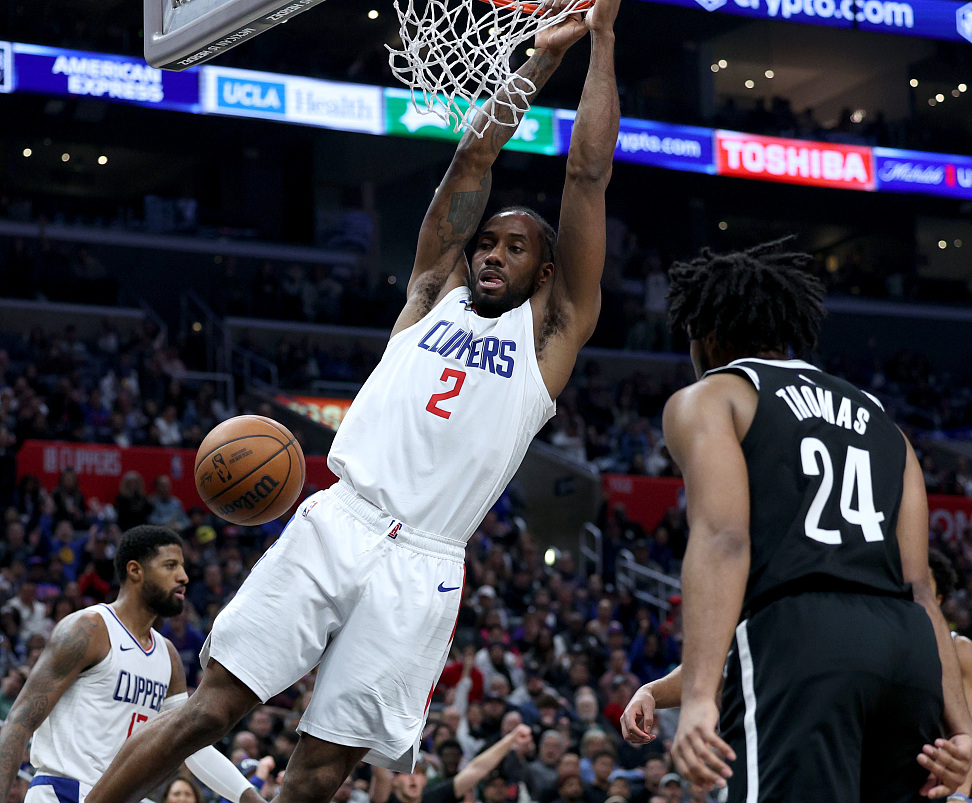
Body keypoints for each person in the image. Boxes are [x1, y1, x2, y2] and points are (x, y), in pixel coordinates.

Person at [87, 2, 621, 802]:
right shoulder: (432, 289)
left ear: (547, 273)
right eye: (488, 242)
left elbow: (587, 175)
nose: (493, 253)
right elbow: (469, 166)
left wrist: (603, 40)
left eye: (516, 246)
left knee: (325, 765)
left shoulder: (551, 340)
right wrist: (536, 65)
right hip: (344, 517)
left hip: (426, 566)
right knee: (210, 709)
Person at [618, 241, 972, 802]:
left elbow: (724, 539)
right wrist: (964, 729)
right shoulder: (882, 421)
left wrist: (700, 699)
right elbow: (921, 586)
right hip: (906, 651)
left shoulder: (714, 396)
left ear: (705, 334)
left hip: (803, 640)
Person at [0, 525, 263, 803]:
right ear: (135, 570)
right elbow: (19, 722)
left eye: (183, 567)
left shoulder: (168, 655)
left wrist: (250, 798)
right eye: (170, 566)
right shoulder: (89, 628)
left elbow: (191, 744)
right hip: (65, 791)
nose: (183, 577)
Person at [929, 549, 972, 801]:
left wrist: (960, 795)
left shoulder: (960, 650)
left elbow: (971, 728)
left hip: (938, 779)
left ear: (938, 598)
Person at [374, 725, 535, 803]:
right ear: (394, 780)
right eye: (407, 773)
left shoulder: (435, 797)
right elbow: (379, 771)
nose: (414, 779)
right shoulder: (385, 799)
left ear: (425, 780)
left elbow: (476, 769)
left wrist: (511, 739)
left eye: (420, 773)